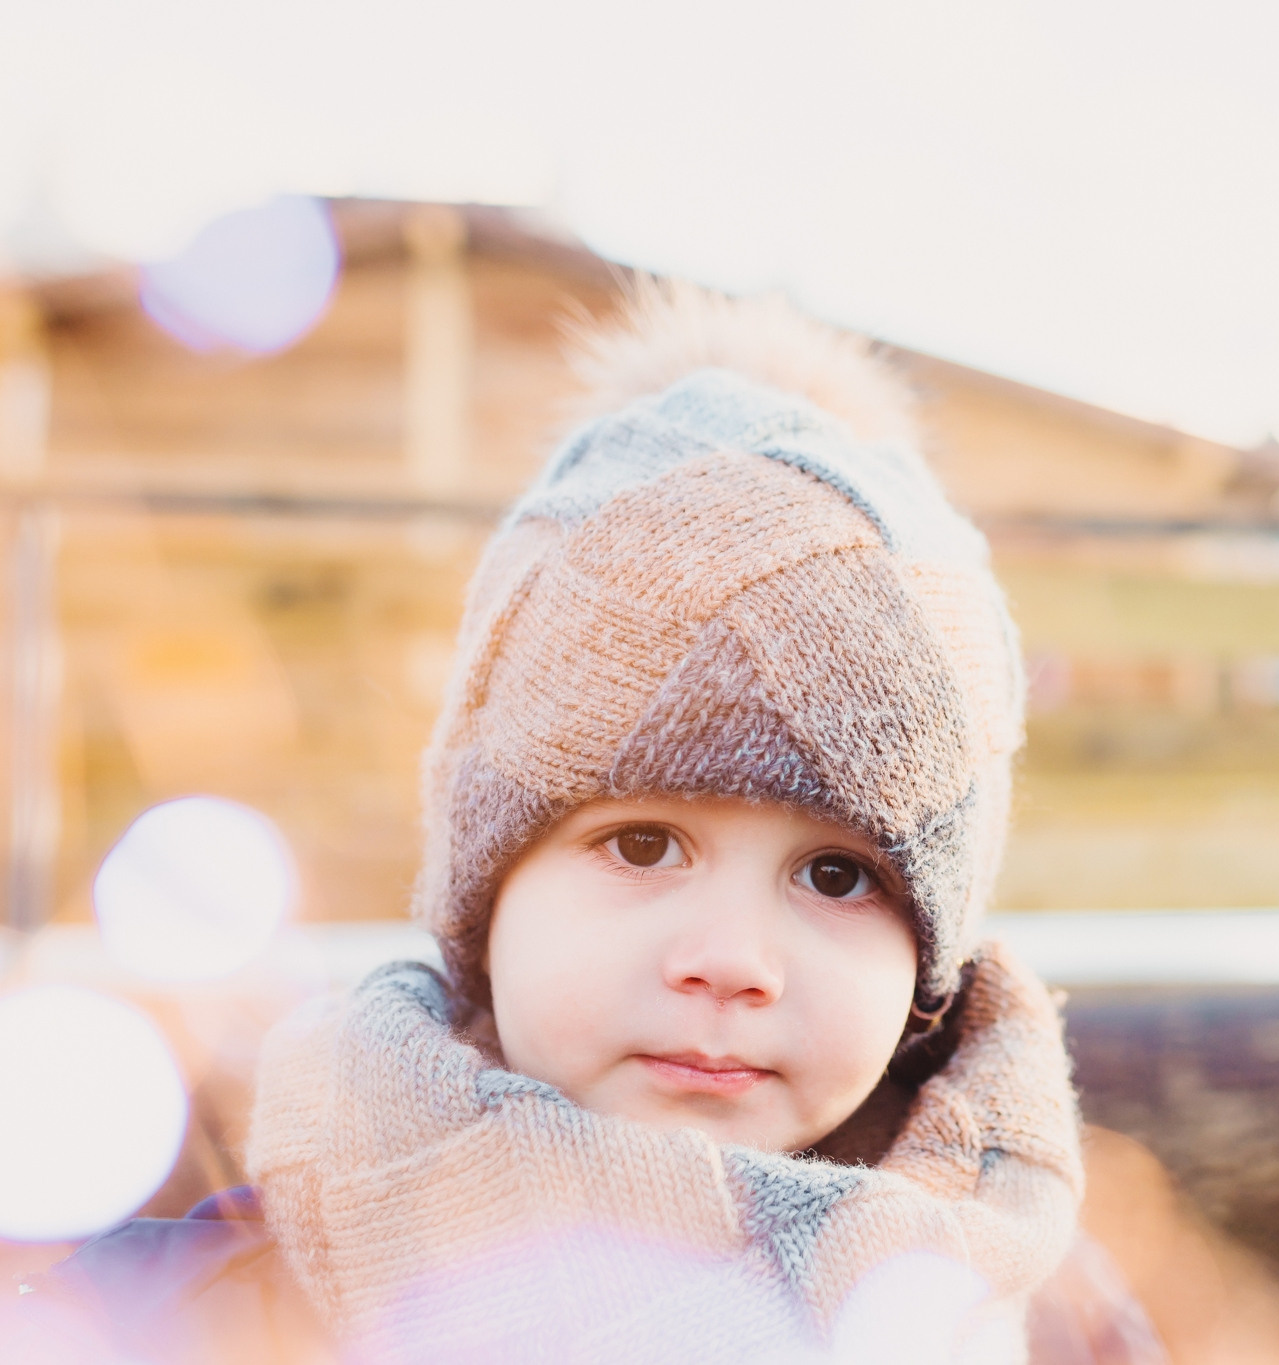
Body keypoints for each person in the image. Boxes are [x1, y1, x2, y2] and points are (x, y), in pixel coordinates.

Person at [10, 283, 1124, 1364]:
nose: (731, 962)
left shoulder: (1051, 1318)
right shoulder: (190, 1314)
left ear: (929, 966)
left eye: (837, 876)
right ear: (484, 898)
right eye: (643, 845)